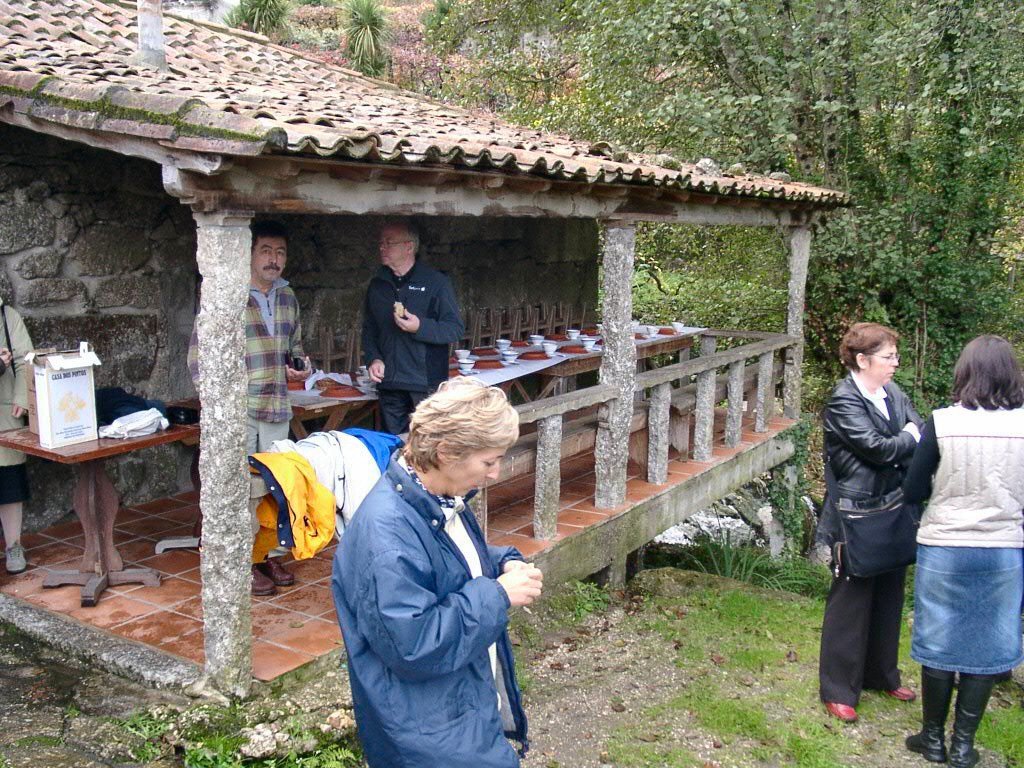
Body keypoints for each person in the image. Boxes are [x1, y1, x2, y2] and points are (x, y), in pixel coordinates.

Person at [332, 378, 542, 767]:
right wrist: (497, 594)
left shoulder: (434, 499)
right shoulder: (387, 535)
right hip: (427, 734)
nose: (496, 474)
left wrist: (501, 562)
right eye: (489, 461)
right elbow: (415, 645)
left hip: (457, 707)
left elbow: (442, 561)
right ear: (445, 453)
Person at [901, 335, 1024, 768]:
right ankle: (963, 747)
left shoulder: (942, 422)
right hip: (1003, 548)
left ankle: (932, 739)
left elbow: (913, 489)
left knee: (939, 637)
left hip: (945, 545)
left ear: (965, 372)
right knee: (987, 644)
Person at [188, 220, 311, 595]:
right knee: (239, 489)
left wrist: (300, 366)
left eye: (280, 252)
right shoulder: (226, 295)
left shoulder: (288, 297)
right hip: (238, 410)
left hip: (276, 406)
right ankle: (240, 561)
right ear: (249, 253)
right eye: (266, 251)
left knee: (274, 488)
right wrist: (217, 406)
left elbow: (295, 347)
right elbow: (197, 356)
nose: (274, 259)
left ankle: (265, 555)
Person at [816, 322, 922, 723]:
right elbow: (879, 449)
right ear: (862, 360)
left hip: (893, 504)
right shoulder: (844, 400)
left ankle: (881, 674)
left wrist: (905, 440)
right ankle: (839, 689)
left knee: (890, 590)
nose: (895, 363)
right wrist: (906, 439)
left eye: (896, 356)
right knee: (851, 598)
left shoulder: (893, 393)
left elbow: (917, 429)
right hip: (856, 511)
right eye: (888, 357)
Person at [362, 221, 464, 435]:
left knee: (428, 444)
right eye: (381, 243)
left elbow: (454, 329)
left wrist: (420, 326)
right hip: (390, 383)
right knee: (394, 444)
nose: (382, 247)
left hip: (425, 383)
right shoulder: (378, 284)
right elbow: (370, 330)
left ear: (409, 247)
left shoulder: (436, 282)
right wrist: (374, 359)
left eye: (389, 243)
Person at [0, 297, 33, 575]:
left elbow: (25, 359)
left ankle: (14, 545)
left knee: (9, 482)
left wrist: (22, 396)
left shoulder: (7, 315)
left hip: (4, 412)